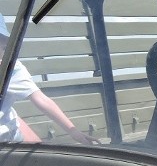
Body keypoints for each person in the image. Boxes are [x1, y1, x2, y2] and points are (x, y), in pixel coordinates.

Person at [0, 17, 99, 145]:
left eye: (2, 45)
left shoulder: (12, 69)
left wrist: (74, 133)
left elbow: (40, 99)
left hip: (10, 141)